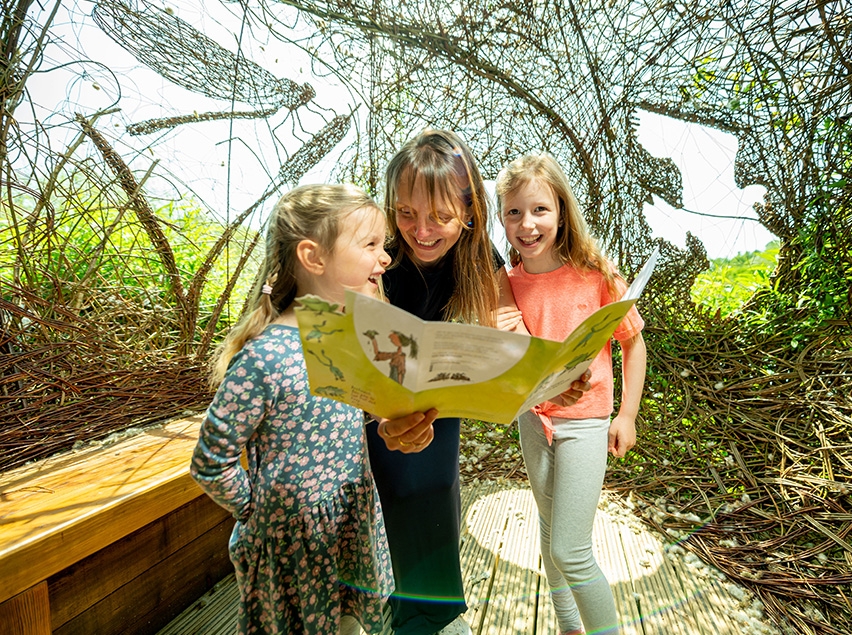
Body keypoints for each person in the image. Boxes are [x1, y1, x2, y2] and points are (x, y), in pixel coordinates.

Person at [190, 183, 437, 635]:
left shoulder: (349, 339)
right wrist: (260, 511)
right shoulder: (266, 357)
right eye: (369, 245)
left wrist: (400, 421)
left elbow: (359, 414)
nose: (385, 258)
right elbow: (210, 460)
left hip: (348, 520)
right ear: (313, 256)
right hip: (291, 541)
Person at [369, 130, 590, 635]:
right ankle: (385, 611)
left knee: (433, 492)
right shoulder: (377, 252)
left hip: (436, 408)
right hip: (374, 402)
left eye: (440, 217)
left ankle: (436, 615)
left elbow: (510, 330)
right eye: (406, 213)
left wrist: (547, 378)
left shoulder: (479, 257)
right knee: (383, 504)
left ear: (469, 211)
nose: (421, 231)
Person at [496, 154, 647, 635]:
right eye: (513, 212)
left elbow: (632, 341)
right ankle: (568, 626)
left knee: (570, 548)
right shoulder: (507, 282)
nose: (527, 224)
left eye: (539, 210)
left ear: (561, 210)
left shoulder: (595, 272)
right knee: (548, 526)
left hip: (585, 421)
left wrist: (627, 415)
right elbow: (512, 356)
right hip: (532, 419)